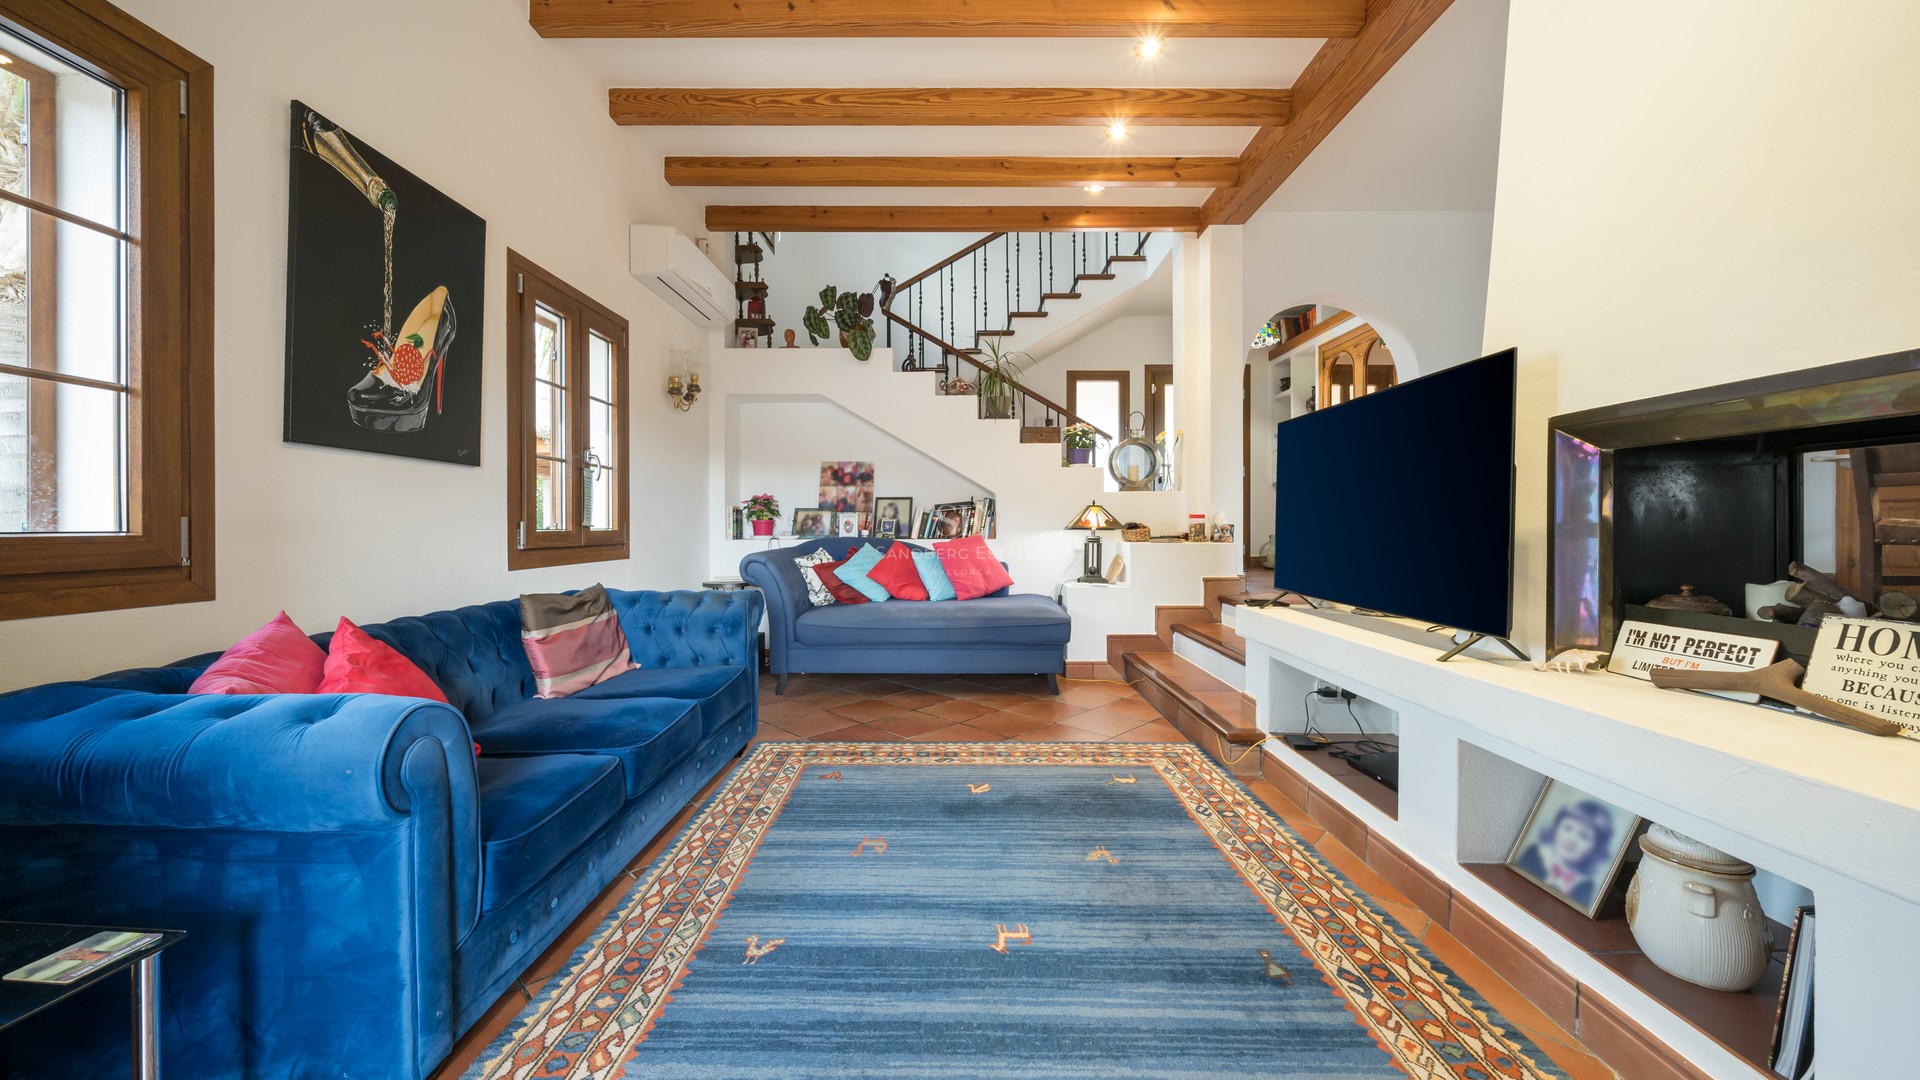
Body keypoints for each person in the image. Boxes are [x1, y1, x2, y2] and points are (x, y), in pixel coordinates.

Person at [1515, 799, 1616, 908]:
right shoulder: (1534, 855)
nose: (1572, 839)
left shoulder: (1585, 886)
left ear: (1595, 849)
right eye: (1568, 828)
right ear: (1556, 828)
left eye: (1584, 836)